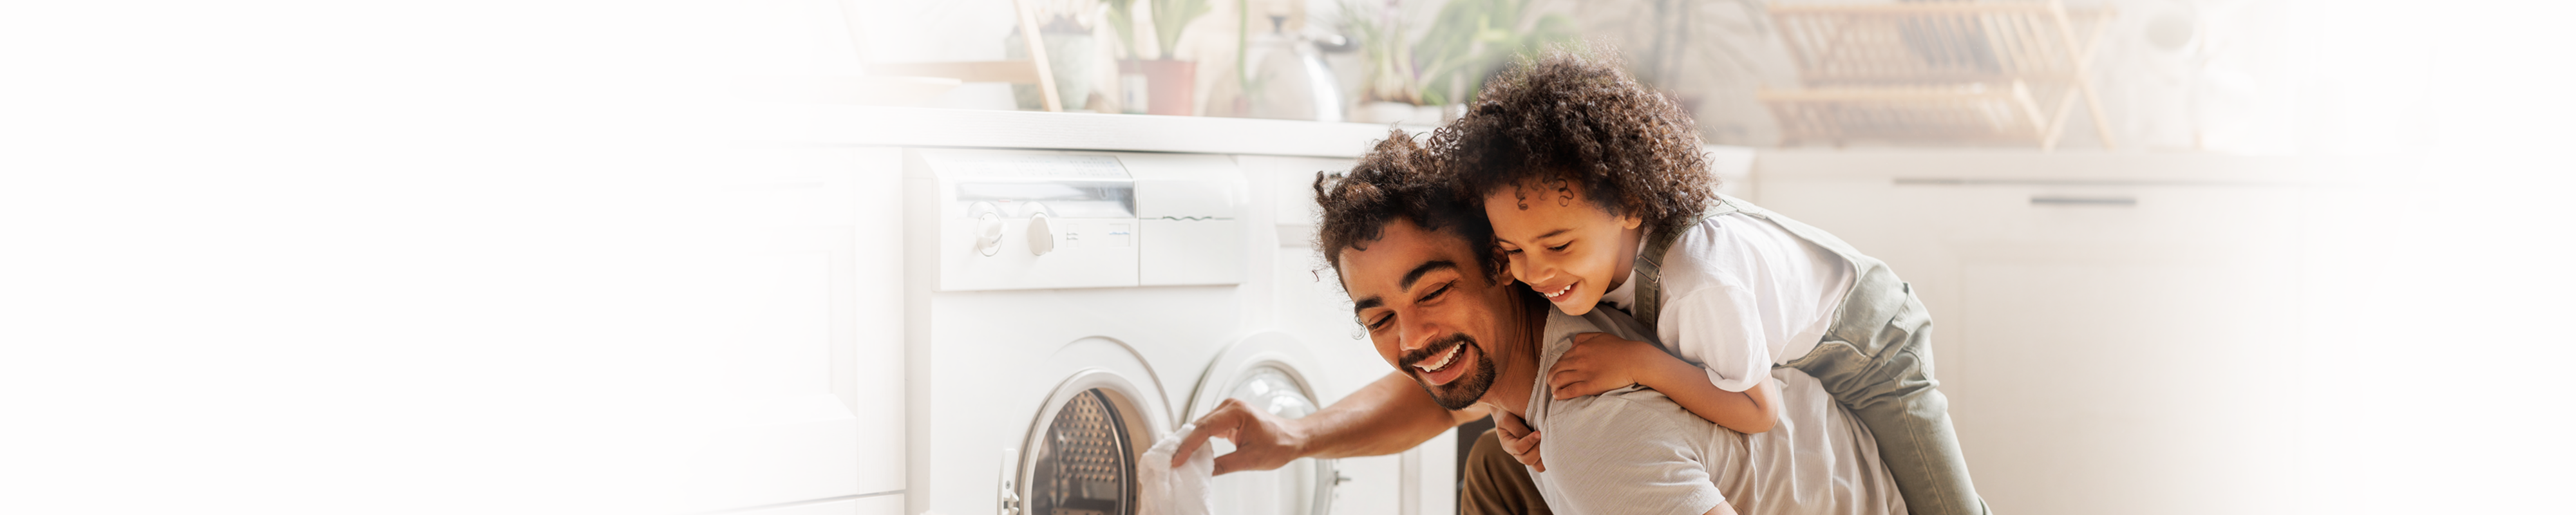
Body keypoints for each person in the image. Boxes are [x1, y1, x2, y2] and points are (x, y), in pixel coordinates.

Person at [1175, 132, 1904, 515]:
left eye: (1431, 292)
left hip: (1879, 349)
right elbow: (1440, 384)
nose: (1410, 338)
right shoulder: (1559, 295)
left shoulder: (1595, 431)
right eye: (1380, 318)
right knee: (1498, 462)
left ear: (1499, 265)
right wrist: (1297, 436)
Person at [1433, 49, 1989, 515]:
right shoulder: (1582, 259)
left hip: (1873, 344)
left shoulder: (1699, 283)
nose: (1534, 273)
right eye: (1512, 252)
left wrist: (1635, 362)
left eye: (1557, 246)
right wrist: (1513, 413)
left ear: (1629, 204)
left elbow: (1756, 410)